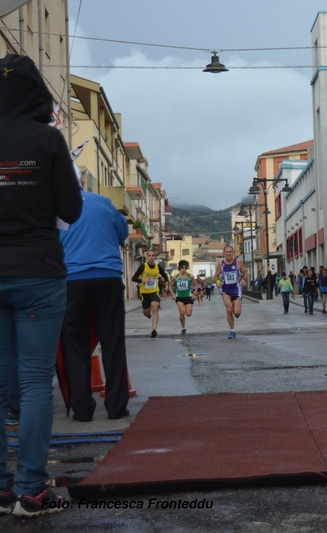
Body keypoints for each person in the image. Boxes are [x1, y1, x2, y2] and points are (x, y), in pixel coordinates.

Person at [0, 53, 84, 516]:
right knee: (34, 383)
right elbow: (71, 210)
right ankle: (31, 491)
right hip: (38, 269)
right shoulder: (48, 140)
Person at [59, 189, 130, 424]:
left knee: (75, 345)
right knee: (113, 341)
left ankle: (82, 409)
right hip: (107, 277)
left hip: (72, 280)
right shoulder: (104, 203)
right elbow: (122, 234)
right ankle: (116, 406)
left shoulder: (56, 207)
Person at [131, 249, 172, 338]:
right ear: (146, 257)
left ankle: (154, 330)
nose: (151, 257)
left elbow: (165, 275)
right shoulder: (143, 267)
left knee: (155, 306)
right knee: (146, 313)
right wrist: (143, 280)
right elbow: (133, 278)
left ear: (155, 257)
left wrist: (166, 284)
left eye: (153, 255)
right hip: (144, 292)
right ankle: (148, 315)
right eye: (149, 256)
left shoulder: (158, 267)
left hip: (154, 290)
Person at [214, 245, 247, 339]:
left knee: (237, 313)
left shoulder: (238, 262)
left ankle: (235, 306)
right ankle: (232, 331)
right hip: (225, 289)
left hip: (236, 289)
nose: (228, 253)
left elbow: (245, 273)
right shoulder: (221, 264)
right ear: (224, 253)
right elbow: (215, 276)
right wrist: (218, 281)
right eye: (226, 252)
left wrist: (244, 279)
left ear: (233, 253)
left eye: (230, 252)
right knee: (229, 309)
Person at [171, 260, 196, 335]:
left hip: (188, 297)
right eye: (182, 267)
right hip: (179, 297)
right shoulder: (175, 277)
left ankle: (187, 309)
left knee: (188, 314)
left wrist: (194, 294)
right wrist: (173, 294)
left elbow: (196, 284)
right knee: (182, 312)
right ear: (179, 268)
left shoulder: (190, 276)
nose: (184, 269)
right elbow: (170, 286)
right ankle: (183, 328)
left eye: (185, 267)